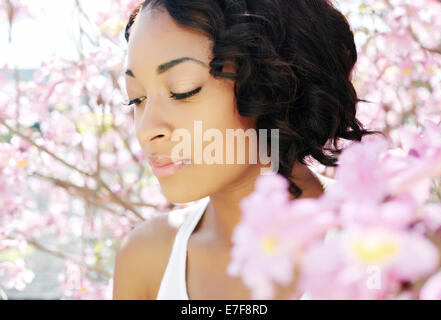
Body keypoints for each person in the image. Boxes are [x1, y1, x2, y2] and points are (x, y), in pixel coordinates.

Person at [113, 0, 381, 300]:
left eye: (183, 90)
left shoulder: (382, 241)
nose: (147, 128)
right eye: (136, 99)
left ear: (272, 82)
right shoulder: (146, 260)